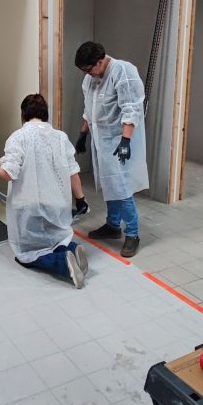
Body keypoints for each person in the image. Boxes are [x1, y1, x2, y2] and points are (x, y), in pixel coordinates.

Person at [0, 93, 89, 288]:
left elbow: (8, 174)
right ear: (45, 114)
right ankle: (72, 249)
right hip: (58, 204)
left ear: (23, 114)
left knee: (26, 254)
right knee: (56, 237)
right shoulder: (60, 137)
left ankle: (63, 263)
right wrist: (81, 199)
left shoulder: (18, 137)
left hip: (30, 205)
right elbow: (73, 172)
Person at [74, 41, 148, 258]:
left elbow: (131, 109)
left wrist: (125, 142)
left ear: (100, 61)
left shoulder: (123, 72)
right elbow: (90, 109)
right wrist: (83, 134)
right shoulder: (90, 78)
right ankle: (113, 225)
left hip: (119, 140)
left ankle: (133, 233)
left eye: (89, 69)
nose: (87, 74)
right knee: (109, 183)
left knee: (121, 186)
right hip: (102, 141)